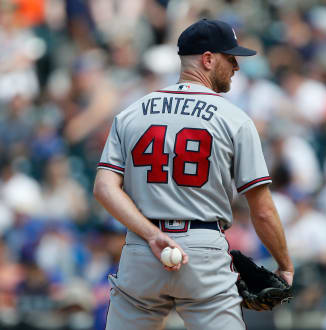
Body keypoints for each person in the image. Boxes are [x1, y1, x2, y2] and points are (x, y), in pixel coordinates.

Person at [93, 18, 294, 330]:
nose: (236, 67)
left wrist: (153, 235)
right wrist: (284, 265)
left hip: (142, 249)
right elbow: (263, 209)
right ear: (208, 59)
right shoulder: (234, 119)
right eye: (231, 58)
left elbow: (104, 189)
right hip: (203, 249)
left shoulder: (131, 113)